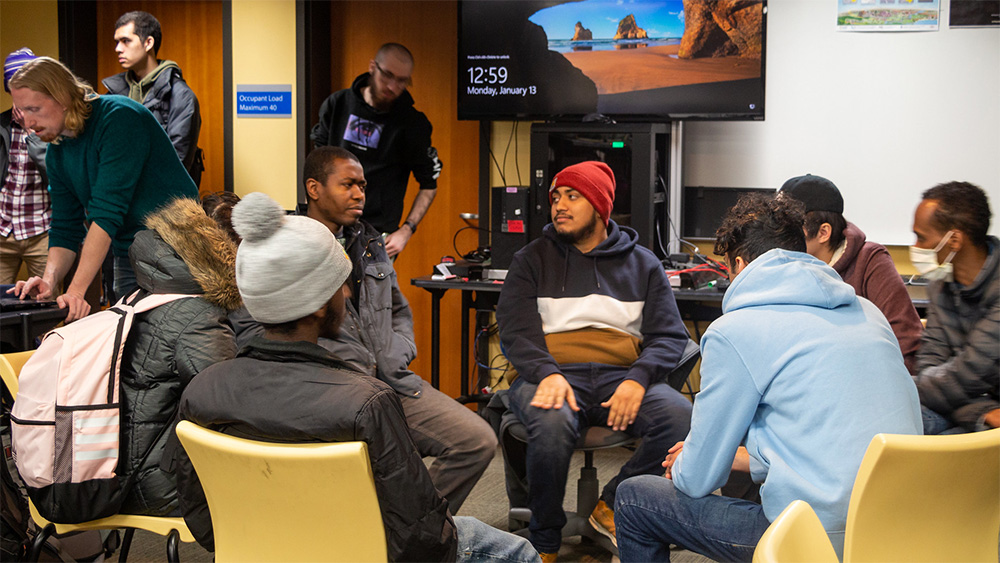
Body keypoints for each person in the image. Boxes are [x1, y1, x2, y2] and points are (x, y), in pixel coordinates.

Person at [174, 192, 538, 563]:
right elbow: (422, 538)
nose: (347, 292)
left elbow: (203, 519)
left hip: (264, 548)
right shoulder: (367, 404)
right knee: (518, 550)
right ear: (317, 304)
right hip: (359, 551)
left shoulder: (202, 391)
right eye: (340, 285)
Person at [613, 193, 923, 562]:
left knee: (635, 498)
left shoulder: (736, 331)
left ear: (739, 264)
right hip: (902, 527)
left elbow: (698, 480)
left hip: (818, 539)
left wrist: (690, 461)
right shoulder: (868, 311)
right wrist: (742, 459)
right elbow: (831, 436)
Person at [495, 161, 694, 560]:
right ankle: (544, 540)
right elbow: (515, 331)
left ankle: (611, 506)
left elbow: (669, 337)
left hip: (618, 376)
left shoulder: (644, 264)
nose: (559, 206)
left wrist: (638, 379)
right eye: (556, 197)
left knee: (679, 415)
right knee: (551, 423)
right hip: (548, 374)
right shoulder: (531, 259)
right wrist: (546, 373)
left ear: (600, 207)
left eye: (573, 196)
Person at [301, 146, 496, 512]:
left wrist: (396, 351)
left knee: (476, 440)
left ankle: (411, 530)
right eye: (348, 185)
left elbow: (398, 311)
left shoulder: (371, 244)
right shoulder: (289, 247)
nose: (360, 193)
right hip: (331, 392)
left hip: (391, 383)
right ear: (314, 189)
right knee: (370, 467)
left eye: (362, 184)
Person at [7, 57, 198, 321]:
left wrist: (76, 291)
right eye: (21, 112)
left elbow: (107, 213)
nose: (28, 123)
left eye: (34, 109)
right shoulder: (57, 151)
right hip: (128, 249)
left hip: (177, 246)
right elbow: (65, 226)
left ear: (62, 97)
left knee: (174, 334)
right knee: (129, 340)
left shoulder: (119, 118)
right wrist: (49, 282)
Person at [119, 198, 239, 516]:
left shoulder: (144, 293)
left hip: (122, 470)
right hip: (160, 484)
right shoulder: (198, 315)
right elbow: (227, 403)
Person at [780, 174, 923, 372]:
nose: (778, 238)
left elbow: (904, 340)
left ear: (823, 233)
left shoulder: (870, 261)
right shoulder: (783, 266)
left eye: (789, 230)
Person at [311, 42, 442, 257]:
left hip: (377, 234)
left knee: (369, 291)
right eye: (387, 76)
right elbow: (316, 167)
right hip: (329, 227)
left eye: (401, 81)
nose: (392, 86)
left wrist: (406, 230)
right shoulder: (337, 105)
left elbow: (429, 184)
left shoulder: (412, 124)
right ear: (373, 67)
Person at [910, 181, 999, 434]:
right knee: (889, 419)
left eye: (921, 237)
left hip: (984, 418)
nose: (915, 247)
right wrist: (981, 413)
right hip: (974, 408)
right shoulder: (940, 284)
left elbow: (969, 373)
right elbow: (929, 364)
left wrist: (916, 388)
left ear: (955, 240)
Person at [101, 11, 202, 185]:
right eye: (117, 42)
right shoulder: (112, 95)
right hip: (117, 197)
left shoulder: (181, 96)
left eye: (126, 41)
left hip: (162, 202)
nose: (118, 48)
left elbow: (177, 164)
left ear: (148, 43)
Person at [1, 48, 49, 284]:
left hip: (41, 231)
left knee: (47, 307)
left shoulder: (51, 126)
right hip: (3, 232)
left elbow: (55, 172)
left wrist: (31, 131)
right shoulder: (1, 125)